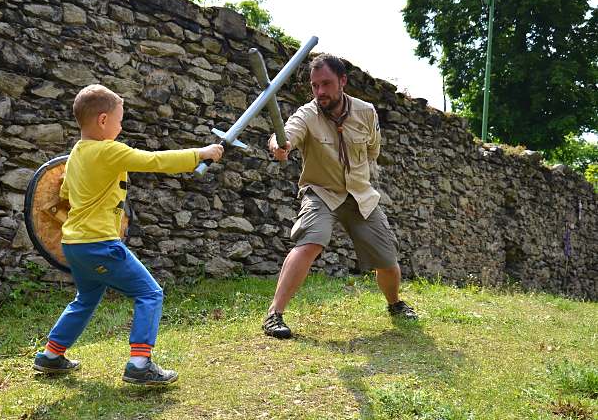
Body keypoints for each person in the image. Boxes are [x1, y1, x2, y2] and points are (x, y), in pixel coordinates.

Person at [33, 84, 224, 384]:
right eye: (120, 119)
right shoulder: (108, 150)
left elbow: (67, 192)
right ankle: (139, 363)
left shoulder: (75, 154)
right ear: (103, 121)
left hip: (74, 245)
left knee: (85, 298)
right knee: (150, 293)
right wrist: (200, 153)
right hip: (100, 245)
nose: (122, 126)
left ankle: (51, 355)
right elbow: (155, 161)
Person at [263, 54, 418, 339]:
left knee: (386, 259)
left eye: (326, 84)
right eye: (315, 86)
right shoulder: (306, 114)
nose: (320, 91)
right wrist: (279, 145)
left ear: (343, 81)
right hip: (321, 192)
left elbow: (373, 150)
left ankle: (395, 304)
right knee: (310, 240)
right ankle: (274, 315)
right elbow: (285, 135)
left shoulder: (366, 112)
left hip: (360, 194)